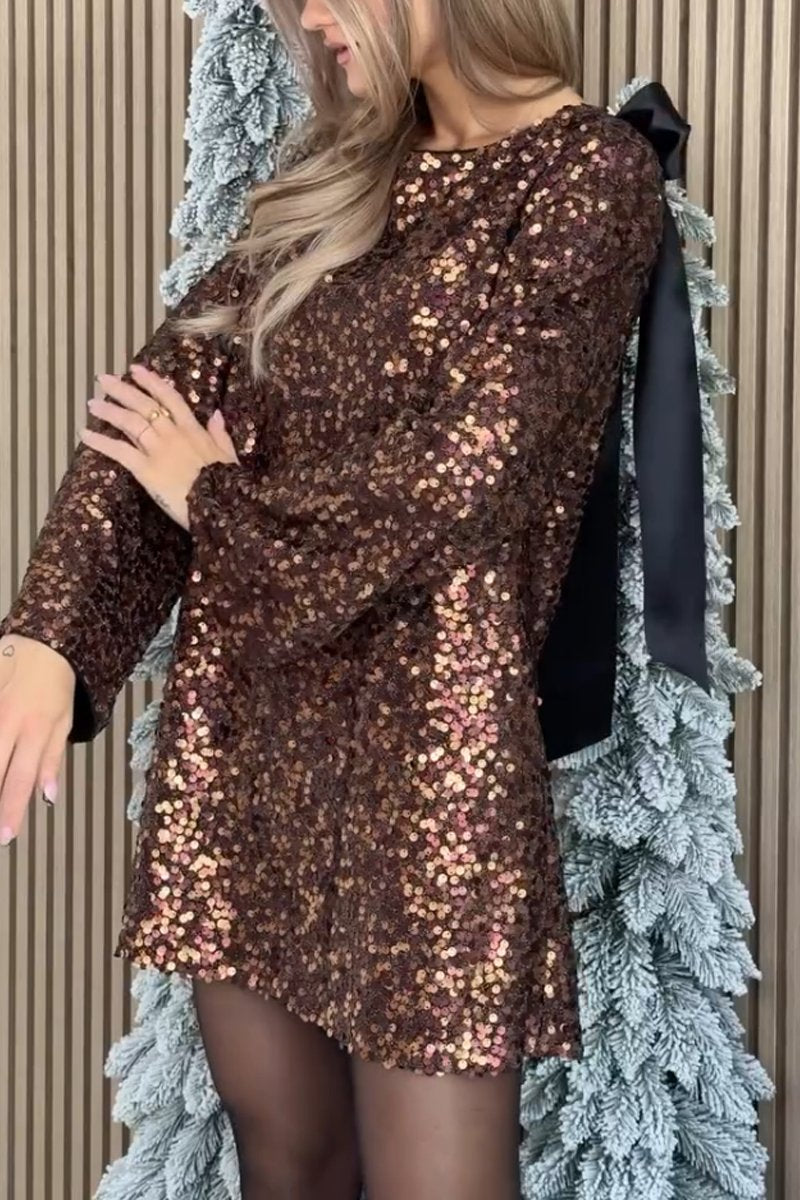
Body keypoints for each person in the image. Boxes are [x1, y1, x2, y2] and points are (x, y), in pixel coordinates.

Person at [0, 1, 666, 1197]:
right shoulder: (334, 182)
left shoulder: (586, 173)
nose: (307, 18)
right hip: (248, 736)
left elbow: (465, 479)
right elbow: (160, 402)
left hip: (430, 761)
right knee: (289, 1165)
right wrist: (48, 636)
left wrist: (214, 502)